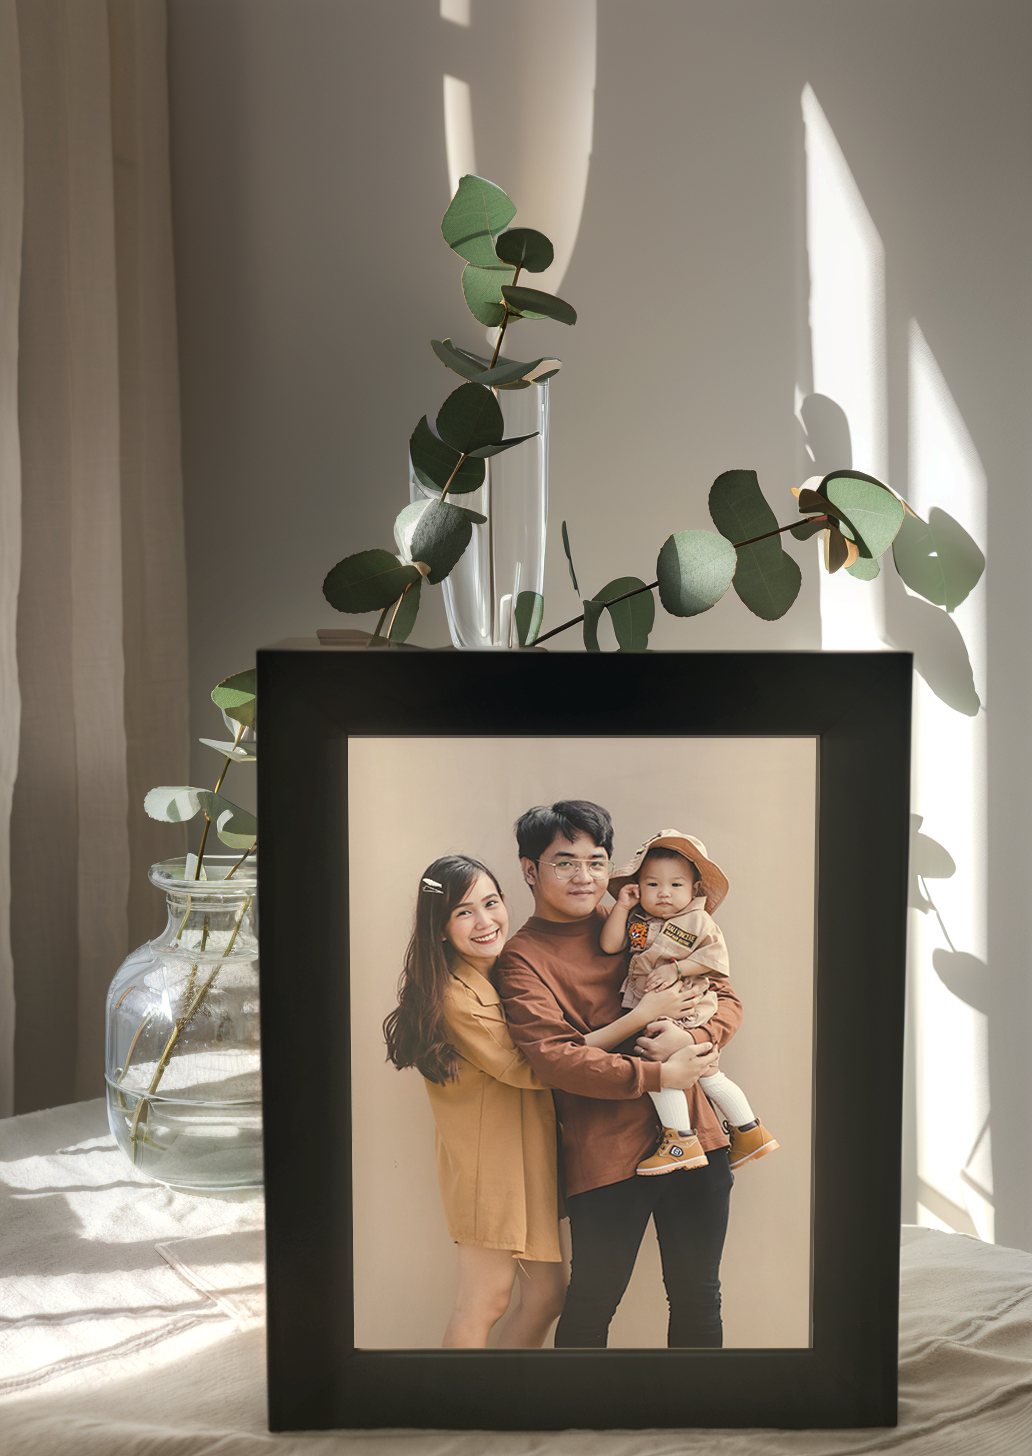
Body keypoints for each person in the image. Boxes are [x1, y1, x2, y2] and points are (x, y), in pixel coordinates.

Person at [494, 800, 740, 1349]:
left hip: (697, 1140)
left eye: (596, 861)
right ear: (530, 869)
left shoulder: (644, 917)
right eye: (565, 862)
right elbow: (557, 1059)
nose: (585, 876)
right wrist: (660, 1074)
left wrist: (695, 1039)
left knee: (700, 1298)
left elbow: (723, 995)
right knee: (591, 1307)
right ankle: (581, 1410)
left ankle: (699, 1409)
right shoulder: (521, 958)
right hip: (605, 1154)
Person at [383, 854, 565, 1349]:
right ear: (440, 928)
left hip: (530, 1161)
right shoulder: (454, 995)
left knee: (547, 1296)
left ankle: (499, 1392)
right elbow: (529, 1067)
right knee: (484, 1300)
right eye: (464, 912)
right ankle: (460, 1397)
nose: (485, 921)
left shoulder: (512, 970)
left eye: (490, 903)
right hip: (491, 1169)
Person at [600, 829, 778, 1175]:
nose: (664, 892)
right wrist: (622, 907)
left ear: (694, 889)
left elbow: (716, 959)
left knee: (656, 1066)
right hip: (657, 1008)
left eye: (675, 885)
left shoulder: (698, 920)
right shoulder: (639, 920)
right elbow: (610, 945)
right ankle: (749, 1131)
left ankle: (680, 1140)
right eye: (652, 884)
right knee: (708, 1073)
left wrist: (677, 968)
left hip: (683, 1009)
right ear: (638, 887)